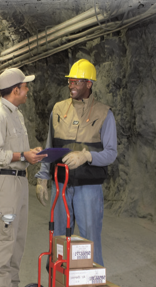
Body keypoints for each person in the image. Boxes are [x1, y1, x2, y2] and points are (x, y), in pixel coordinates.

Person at [35, 59, 117, 267]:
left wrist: (87, 156)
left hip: (88, 189)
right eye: (70, 81)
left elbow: (110, 154)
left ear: (89, 84)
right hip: (61, 185)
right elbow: (49, 146)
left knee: (90, 239)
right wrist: (42, 179)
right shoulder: (58, 109)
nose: (71, 85)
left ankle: (93, 286)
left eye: (77, 82)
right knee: (59, 237)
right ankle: (59, 286)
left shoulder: (104, 114)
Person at [0, 68, 46, 287]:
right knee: (3, 239)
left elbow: (17, 151)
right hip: (4, 185)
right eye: (25, 86)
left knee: (17, 239)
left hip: (19, 182)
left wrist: (30, 154)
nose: (28, 90)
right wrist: (22, 155)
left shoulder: (16, 115)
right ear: (15, 90)